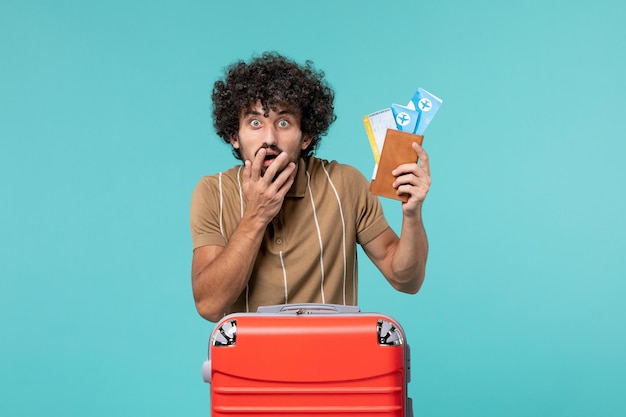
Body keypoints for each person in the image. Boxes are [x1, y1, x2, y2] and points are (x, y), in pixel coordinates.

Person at [190, 52, 431, 322]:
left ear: (306, 136)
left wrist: (411, 215)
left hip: (334, 359)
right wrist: (256, 216)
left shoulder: (346, 183)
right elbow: (209, 305)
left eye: (283, 123)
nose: (269, 138)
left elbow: (406, 280)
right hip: (249, 361)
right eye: (255, 122)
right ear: (234, 136)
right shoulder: (212, 192)